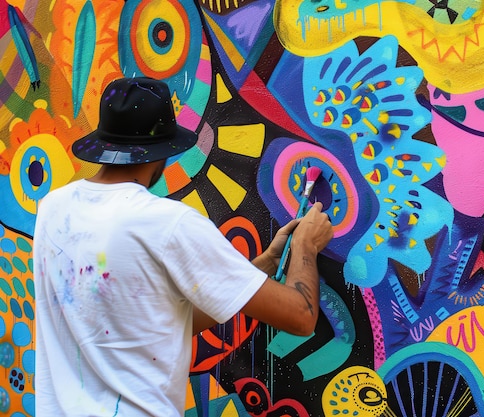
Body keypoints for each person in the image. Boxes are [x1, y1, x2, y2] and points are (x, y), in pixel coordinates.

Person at [33, 77, 334, 416]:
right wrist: (307, 245)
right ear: (163, 152)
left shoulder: (53, 209)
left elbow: (157, 323)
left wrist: (263, 263)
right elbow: (300, 317)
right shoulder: (167, 223)